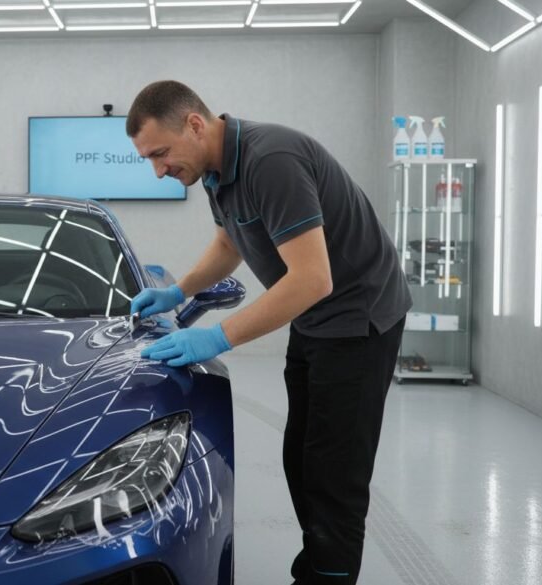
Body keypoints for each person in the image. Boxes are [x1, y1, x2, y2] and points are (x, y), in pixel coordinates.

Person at [126, 80, 412, 585]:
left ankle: (327, 577)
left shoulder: (271, 161)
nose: (159, 170)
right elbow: (228, 243)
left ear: (195, 124)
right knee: (300, 458)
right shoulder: (216, 173)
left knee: (333, 474)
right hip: (315, 317)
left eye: (161, 153)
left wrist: (217, 337)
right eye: (149, 159)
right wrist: (179, 291)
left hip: (358, 319)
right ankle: (316, 566)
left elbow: (313, 279)